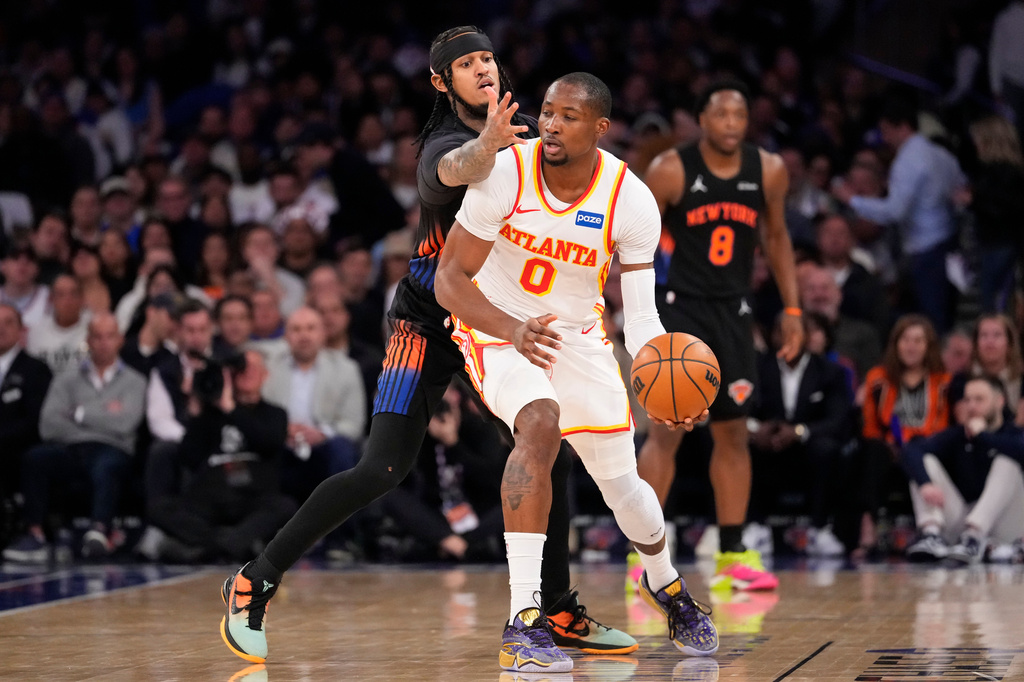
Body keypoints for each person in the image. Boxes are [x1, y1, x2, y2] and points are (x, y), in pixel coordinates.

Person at [219, 28, 636, 665]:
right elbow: (455, 169)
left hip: (498, 319)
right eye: (465, 65)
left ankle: (555, 609)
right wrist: (489, 146)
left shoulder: (533, 130)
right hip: (429, 319)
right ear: (442, 82)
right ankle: (256, 579)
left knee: (549, 444)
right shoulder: (442, 143)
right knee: (382, 468)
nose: (481, 70)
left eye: (487, 59)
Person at [436, 72, 717, 672]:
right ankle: (524, 622)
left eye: (567, 115)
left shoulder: (631, 198)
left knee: (623, 487)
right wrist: (510, 328)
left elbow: (641, 320)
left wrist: (663, 384)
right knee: (539, 424)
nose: (551, 124)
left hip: (578, 337)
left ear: (599, 127)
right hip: (496, 327)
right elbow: (448, 281)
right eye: (546, 112)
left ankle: (665, 584)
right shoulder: (507, 170)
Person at [636, 79, 803, 592]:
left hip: (736, 314)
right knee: (667, 432)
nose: (732, 123)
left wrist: (792, 307)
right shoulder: (671, 170)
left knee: (733, 433)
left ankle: (731, 556)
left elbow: (776, 237)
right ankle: (642, 559)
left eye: (740, 114)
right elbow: (632, 237)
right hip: (682, 311)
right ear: (701, 120)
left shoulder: (769, 170)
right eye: (721, 114)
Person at [3, 313, 146, 561]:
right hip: (71, 449)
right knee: (36, 458)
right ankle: (35, 535)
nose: (103, 342)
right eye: (97, 336)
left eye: (109, 336)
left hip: (113, 449)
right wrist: (104, 416)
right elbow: (49, 425)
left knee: (107, 465)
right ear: (88, 340)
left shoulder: (135, 381)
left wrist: (78, 413)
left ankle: (98, 532)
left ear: (120, 340)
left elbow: (125, 424)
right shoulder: (66, 378)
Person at [147, 350, 296, 562]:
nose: (247, 373)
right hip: (209, 498)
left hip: (253, 498)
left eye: (254, 368)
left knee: (286, 507)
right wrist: (196, 412)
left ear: (266, 375)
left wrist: (232, 408)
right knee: (159, 508)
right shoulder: (211, 415)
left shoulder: (274, 414)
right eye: (242, 368)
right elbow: (190, 458)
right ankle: (236, 544)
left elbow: (268, 443)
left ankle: (207, 547)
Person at [832, 98, 965, 333]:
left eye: (886, 130)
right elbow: (960, 189)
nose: (884, 138)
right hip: (946, 242)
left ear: (903, 127)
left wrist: (851, 199)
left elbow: (893, 211)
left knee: (931, 319)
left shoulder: (907, 161)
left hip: (925, 248)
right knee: (940, 315)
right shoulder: (941, 155)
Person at [748, 313, 854, 557]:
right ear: (773, 336)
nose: (788, 339)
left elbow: (838, 420)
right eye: (781, 332)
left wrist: (798, 432)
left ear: (806, 336)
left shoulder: (830, 371)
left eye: (794, 332)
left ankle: (819, 528)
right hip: (768, 445)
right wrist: (756, 429)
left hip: (808, 444)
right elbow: (741, 410)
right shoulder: (757, 368)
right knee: (743, 449)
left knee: (827, 449)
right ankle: (755, 527)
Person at [902, 375, 1024, 564]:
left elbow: (1019, 450)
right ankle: (932, 533)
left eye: (979, 399)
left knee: (1007, 461)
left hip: (1007, 526)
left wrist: (982, 436)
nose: (972, 406)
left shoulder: (1014, 433)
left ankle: (975, 535)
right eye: (967, 400)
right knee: (924, 462)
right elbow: (912, 450)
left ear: (1000, 401)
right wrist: (925, 484)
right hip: (962, 525)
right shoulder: (958, 434)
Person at [858, 314, 951, 556]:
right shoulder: (878, 378)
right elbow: (870, 425)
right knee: (871, 450)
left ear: (928, 346)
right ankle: (869, 526)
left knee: (918, 449)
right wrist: (889, 443)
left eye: (919, 341)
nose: (911, 346)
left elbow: (941, 425)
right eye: (906, 340)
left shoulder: (943, 381)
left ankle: (931, 531)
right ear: (896, 344)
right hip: (887, 447)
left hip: (927, 445)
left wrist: (910, 440)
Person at [262, 307, 365, 503]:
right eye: (296, 329)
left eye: (311, 328)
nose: (304, 335)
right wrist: (282, 429)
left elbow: (354, 424)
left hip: (324, 447)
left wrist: (322, 433)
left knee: (341, 448)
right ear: (286, 336)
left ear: (323, 334)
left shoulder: (346, 369)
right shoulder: (270, 367)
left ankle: (341, 530)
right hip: (283, 445)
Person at [0, 304, 53, 502]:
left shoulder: (36, 369)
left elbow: (35, 421)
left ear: (21, 329)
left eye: (8, 322)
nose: (1, 328)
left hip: (16, 449)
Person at [27, 273, 90, 375]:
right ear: (52, 300)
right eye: (61, 294)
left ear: (82, 298)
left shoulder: (96, 327)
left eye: (73, 293)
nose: (68, 301)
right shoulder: (36, 332)